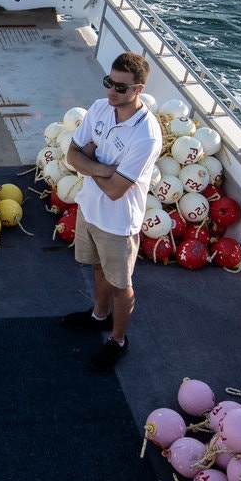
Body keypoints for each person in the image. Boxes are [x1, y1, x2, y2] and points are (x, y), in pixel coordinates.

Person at [61, 52, 162, 372]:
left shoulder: (146, 135)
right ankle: (98, 317)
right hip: (90, 210)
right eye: (109, 82)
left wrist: (89, 164)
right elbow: (70, 156)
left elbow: (118, 191)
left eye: (120, 87)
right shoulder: (99, 108)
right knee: (98, 269)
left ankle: (118, 340)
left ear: (138, 90)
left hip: (119, 224)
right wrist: (106, 169)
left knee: (122, 284)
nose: (112, 91)